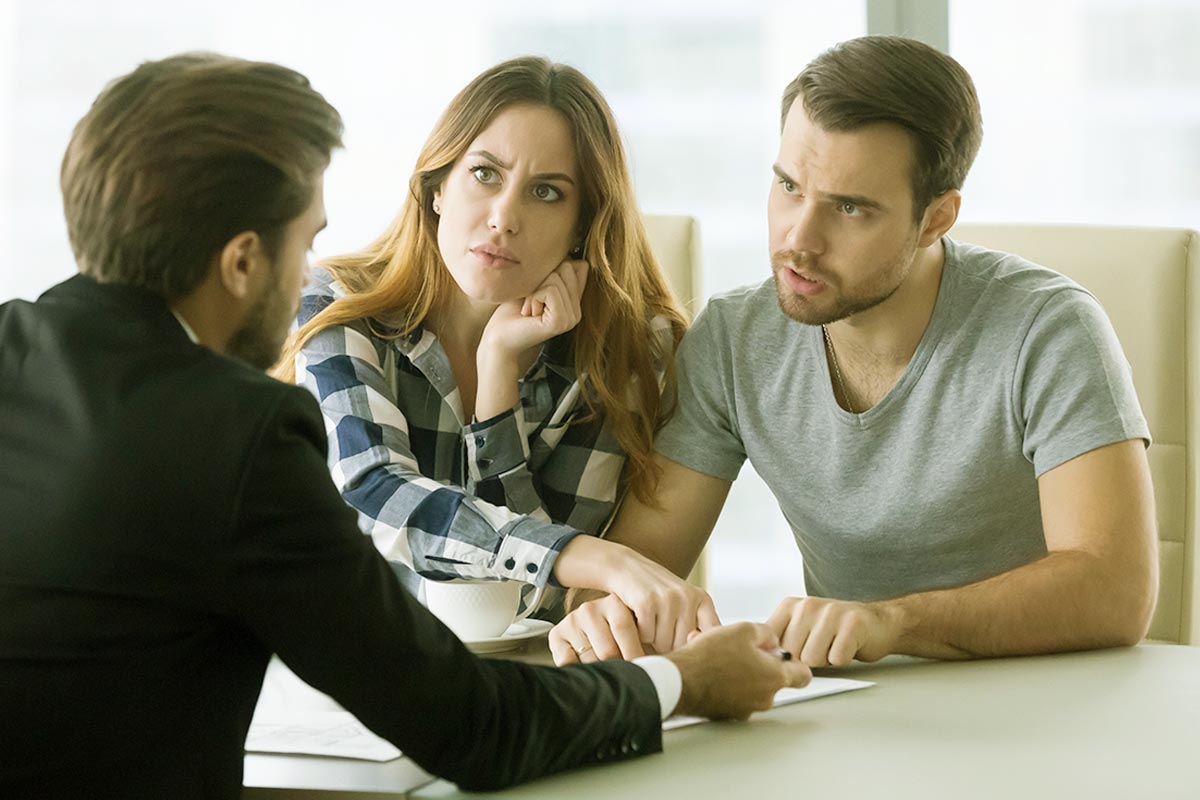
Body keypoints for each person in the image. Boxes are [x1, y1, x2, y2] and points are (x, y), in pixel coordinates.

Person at [0, 53, 810, 799]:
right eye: (305, 241)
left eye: (546, 192)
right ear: (244, 262)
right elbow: (469, 728)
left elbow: (521, 616)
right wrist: (686, 683)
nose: (306, 274)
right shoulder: (242, 430)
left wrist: (498, 386)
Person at [550, 35, 1158, 668]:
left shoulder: (1048, 329)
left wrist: (889, 622)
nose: (798, 239)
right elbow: (635, 565)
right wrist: (605, 611)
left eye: (849, 208)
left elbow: (1115, 592)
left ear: (935, 219)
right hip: (856, 711)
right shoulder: (735, 340)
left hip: (1051, 704)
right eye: (788, 186)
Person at [274, 56, 717, 637]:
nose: (504, 217)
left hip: (526, 683)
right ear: (437, 188)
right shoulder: (337, 305)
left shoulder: (624, 352)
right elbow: (373, 491)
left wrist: (497, 377)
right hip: (348, 676)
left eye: (546, 192)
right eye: (485, 174)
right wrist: (591, 556)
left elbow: (536, 604)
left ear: (582, 225)